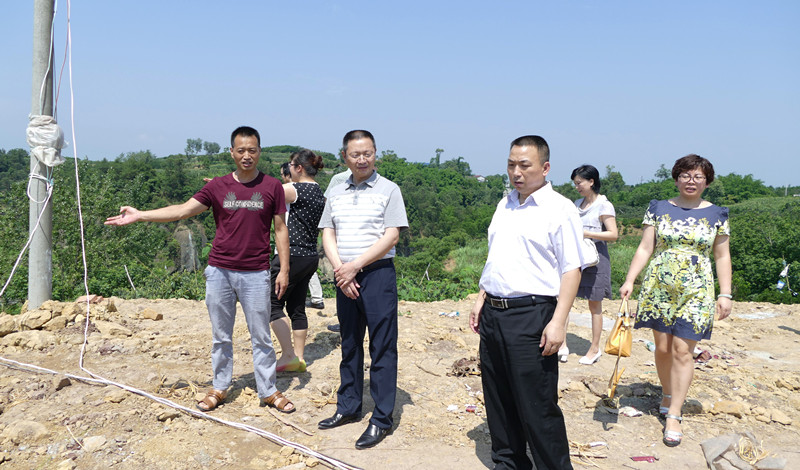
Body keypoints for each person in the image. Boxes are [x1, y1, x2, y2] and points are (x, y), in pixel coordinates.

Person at [105, 126, 297, 414]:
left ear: (259, 151)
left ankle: (268, 390)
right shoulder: (217, 186)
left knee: (261, 336)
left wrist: (284, 269)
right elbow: (182, 210)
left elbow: (280, 229)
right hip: (220, 271)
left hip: (256, 272)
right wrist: (141, 215)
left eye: (252, 150)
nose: (246, 156)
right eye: (241, 150)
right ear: (231, 152)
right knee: (221, 336)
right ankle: (220, 386)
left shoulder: (271, 187)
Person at [470, 135, 588, 470]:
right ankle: (509, 462)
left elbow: (572, 269)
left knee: (537, 403)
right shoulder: (505, 204)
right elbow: (497, 257)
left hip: (532, 314)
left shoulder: (560, 209)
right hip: (494, 312)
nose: (516, 172)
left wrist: (558, 322)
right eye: (511, 165)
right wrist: (481, 297)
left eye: (524, 165)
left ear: (545, 167)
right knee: (498, 397)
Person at [620, 154, 732, 447]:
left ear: (707, 181)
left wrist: (725, 293)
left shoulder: (717, 214)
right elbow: (645, 247)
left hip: (697, 290)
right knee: (662, 348)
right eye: (685, 175)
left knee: (683, 350)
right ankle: (668, 393)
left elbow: (722, 256)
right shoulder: (658, 208)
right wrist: (630, 279)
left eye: (698, 176)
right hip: (659, 287)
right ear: (676, 178)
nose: (691, 181)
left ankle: (674, 414)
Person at [316, 130, 408, 450]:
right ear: (345, 156)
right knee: (350, 342)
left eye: (367, 153)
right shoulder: (336, 188)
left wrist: (355, 266)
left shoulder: (389, 189)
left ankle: (381, 418)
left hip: (377, 274)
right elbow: (328, 231)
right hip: (344, 276)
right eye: (355, 154)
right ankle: (349, 406)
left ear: (375, 153)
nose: (362, 159)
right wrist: (341, 269)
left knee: (382, 346)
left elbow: (391, 236)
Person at [270, 149, 326, 373]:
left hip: (291, 255)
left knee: (272, 304)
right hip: (310, 256)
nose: (289, 169)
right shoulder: (318, 191)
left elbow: (264, 193)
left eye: (291, 165)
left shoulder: (294, 189)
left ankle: (288, 356)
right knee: (297, 307)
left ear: (299, 168)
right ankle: (300, 358)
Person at [571, 164, 618, 365]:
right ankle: (561, 345)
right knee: (565, 298)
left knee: (594, 304)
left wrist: (587, 233)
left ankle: (594, 348)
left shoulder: (604, 205)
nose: (577, 187)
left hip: (596, 258)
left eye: (579, 183)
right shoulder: (576, 204)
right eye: (575, 184)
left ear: (591, 182)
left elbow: (613, 234)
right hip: (576, 257)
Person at [305, 168, 353, 313]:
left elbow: (327, 203)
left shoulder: (338, 178)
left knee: (341, 269)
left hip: (340, 231)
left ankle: (345, 314)